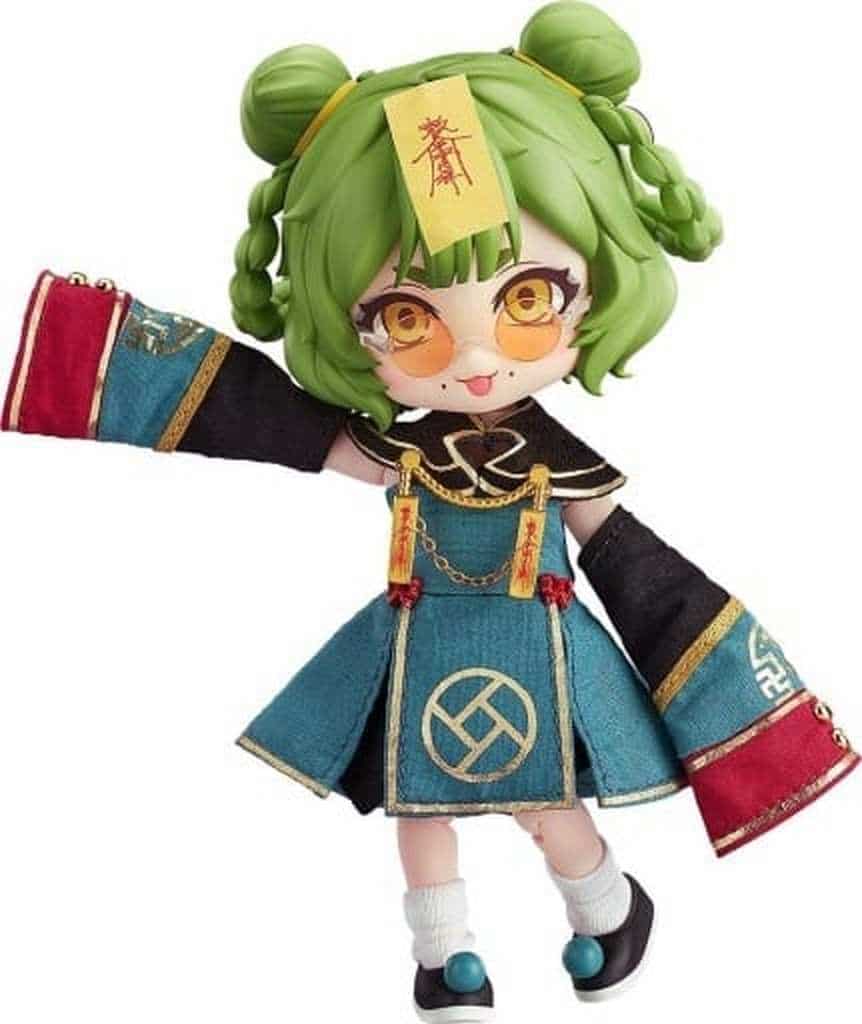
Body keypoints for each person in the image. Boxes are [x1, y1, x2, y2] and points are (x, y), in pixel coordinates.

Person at [3, 3, 856, 1020]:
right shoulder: (399, 453)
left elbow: (644, 576)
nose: (477, 355)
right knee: (417, 805)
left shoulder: (560, 466)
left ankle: (608, 905)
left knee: (547, 802)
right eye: (408, 319)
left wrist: (740, 709)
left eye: (528, 300)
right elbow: (257, 417)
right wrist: (100, 364)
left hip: (539, 650)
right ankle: (443, 955)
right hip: (420, 645)